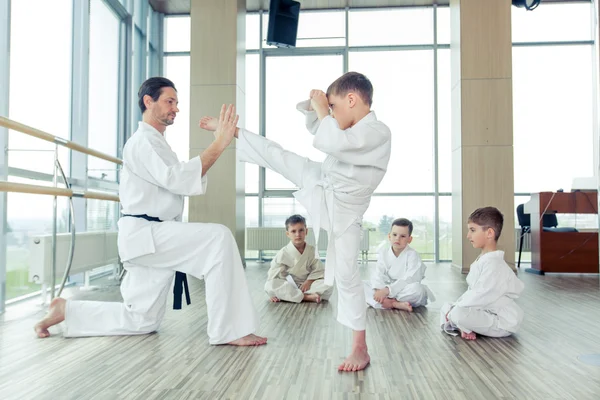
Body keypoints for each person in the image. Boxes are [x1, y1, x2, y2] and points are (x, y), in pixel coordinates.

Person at [34, 77, 267, 347]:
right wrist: (220, 143)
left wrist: (218, 144)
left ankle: (67, 310)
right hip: (148, 235)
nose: (176, 108)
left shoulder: (157, 143)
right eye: (170, 101)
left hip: (150, 239)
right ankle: (229, 330)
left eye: (177, 103)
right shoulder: (142, 142)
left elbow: (181, 181)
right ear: (148, 101)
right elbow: (177, 179)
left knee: (141, 320)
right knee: (219, 238)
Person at [200, 71, 391, 371]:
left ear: (352, 100)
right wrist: (320, 108)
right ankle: (233, 133)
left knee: (347, 276)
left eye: (336, 107)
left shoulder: (378, 131)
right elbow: (326, 134)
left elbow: (335, 142)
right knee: (279, 155)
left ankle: (360, 348)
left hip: (345, 211)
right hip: (325, 181)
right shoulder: (348, 129)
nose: (332, 114)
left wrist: (321, 110)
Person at [440, 207, 524, 340]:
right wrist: (454, 307)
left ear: (489, 233)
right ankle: (463, 326)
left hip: (502, 321)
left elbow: (481, 295)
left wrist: (455, 310)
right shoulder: (484, 260)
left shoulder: (494, 264)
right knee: (447, 307)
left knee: (456, 313)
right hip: (485, 311)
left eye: (473, 230)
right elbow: (473, 293)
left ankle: (463, 325)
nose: (468, 235)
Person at [364, 218, 434, 311]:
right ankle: (395, 303)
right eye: (394, 235)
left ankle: (389, 302)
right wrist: (378, 290)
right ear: (389, 236)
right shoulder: (384, 253)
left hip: (403, 290)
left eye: (403, 236)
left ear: (410, 239)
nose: (397, 238)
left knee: (418, 290)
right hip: (384, 289)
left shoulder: (413, 255)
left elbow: (411, 278)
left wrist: (388, 290)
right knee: (361, 285)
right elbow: (378, 274)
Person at [265, 214, 333, 304]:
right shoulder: (283, 253)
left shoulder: (311, 250)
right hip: (289, 285)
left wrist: (309, 281)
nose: (298, 234)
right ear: (287, 234)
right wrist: (272, 294)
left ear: (306, 231)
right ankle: (306, 297)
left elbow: (319, 270)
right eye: (293, 231)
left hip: (308, 285)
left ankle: (291, 296)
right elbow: (273, 275)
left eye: (301, 230)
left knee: (328, 284)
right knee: (270, 285)